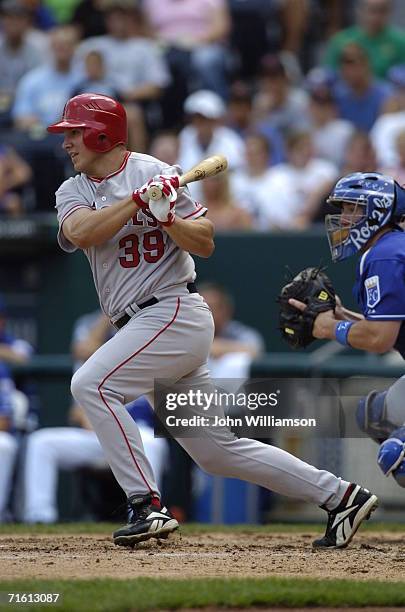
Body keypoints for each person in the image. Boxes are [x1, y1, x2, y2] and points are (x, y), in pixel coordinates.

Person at [46, 92, 377, 550]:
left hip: (173, 311)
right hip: (141, 326)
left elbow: (204, 242)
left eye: (75, 132)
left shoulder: (152, 172)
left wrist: (166, 220)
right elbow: (81, 232)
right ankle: (340, 495)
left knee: (92, 386)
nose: (67, 143)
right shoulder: (73, 189)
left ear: (104, 131)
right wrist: (136, 205)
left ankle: (146, 505)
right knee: (217, 452)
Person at [288, 171, 405, 489]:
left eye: (353, 208)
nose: (343, 218)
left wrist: (329, 327)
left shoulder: (385, 255)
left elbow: (380, 339)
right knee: (372, 414)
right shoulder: (391, 247)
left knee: (399, 456)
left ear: (378, 211)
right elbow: (391, 328)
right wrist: (343, 316)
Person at [23, 310, 168, 523]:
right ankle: (39, 517)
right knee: (41, 442)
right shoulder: (93, 336)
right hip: (96, 432)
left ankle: (147, 516)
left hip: (139, 432)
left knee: (153, 444)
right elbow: (83, 349)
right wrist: (111, 315)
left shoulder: (151, 327)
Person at [324, 0, 405, 79]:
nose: (376, 16)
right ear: (360, 10)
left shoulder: (401, 41)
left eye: (382, 11)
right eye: (372, 10)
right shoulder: (341, 40)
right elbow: (328, 73)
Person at [199, 282, 264, 379]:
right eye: (201, 308)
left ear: (226, 310)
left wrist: (217, 348)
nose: (206, 313)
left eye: (212, 308)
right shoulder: (186, 332)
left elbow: (256, 351)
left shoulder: (239, 332)